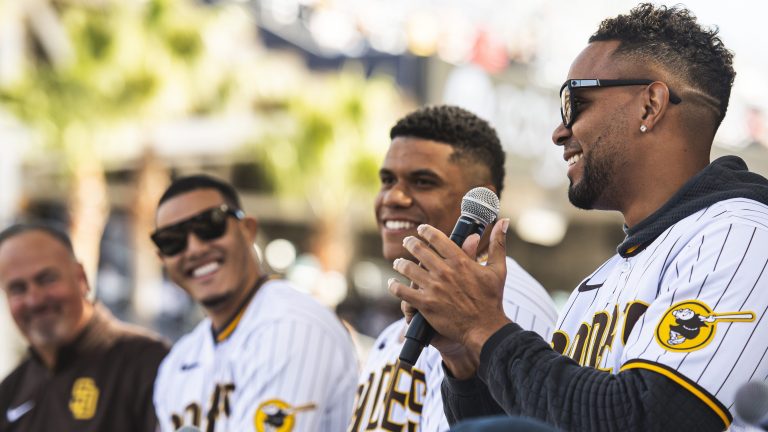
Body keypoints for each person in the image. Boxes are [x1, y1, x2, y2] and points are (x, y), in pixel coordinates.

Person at [388, 4, 768, 432]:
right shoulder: (600, 282)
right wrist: (465, 356)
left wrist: (486, 328)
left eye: (576, 103)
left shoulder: (744, 235)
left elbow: (652, 420)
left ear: (650, 106)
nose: (559, 130)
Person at [348, 105, 558, 431]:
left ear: (480, 200)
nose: (394, 197)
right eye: (387, 180)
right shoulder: (404, 323)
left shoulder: (505, 304)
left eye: (422, 182)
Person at [151, 174, 358, 431]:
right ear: (162, 258)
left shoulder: (293, 326)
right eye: (172, 240)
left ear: (247, 228)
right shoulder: (178, 361)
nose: (194, 248)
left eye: (209, 225)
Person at [0, 223, 169, 431]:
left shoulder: (148, 364)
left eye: (47, 279)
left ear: (81, 278)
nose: (35, 300)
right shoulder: (12, 390)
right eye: (18, 288)